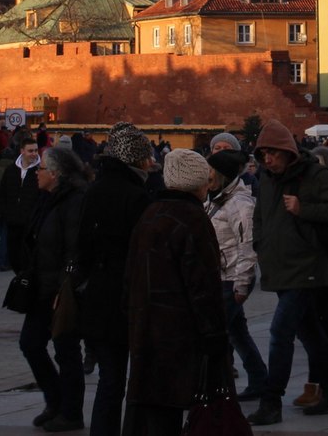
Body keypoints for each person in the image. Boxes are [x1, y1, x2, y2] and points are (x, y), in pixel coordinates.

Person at [244, 119, 328, 427]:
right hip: (279, 266)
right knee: (312, 335)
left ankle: (271, 400)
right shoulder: (267, 178)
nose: (268, 159)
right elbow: (260, 216)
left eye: (274, 153)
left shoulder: (314, 175)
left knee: (281, 332)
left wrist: (304, 208)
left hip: (307, 267)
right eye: (264, 154)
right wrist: (261, 245)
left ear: (289, 152)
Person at [122, 147, 229, 436]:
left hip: (145, 326)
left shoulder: (151, 214)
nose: (209, 185)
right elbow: (204, 285)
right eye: (206, 179)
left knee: (148, 407)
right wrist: (215, 337)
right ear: (195, 183)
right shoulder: (193, 219)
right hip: (179, 330)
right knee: (172, 405)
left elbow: (130, 273)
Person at [77, 123, 154, 436]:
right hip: (124, 297)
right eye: (145, 156)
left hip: (96, 294)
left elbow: (81, 245)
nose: (150, 163)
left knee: (109, 378)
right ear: (134, 159)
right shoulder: (136, 196)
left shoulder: (94, 190)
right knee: (123, 379)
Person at [19, 146, 89, 432]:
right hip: (42, 286)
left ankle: (71, 412)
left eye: (42, 168)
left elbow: (75, 248)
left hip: (61, 289)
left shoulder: (75, 200)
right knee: (30, 343)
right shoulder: (48, 199)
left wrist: (67, 284)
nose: (37, 173)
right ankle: (55, 399)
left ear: (56, 174)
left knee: (66, 350)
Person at [207, 146, 267, 399]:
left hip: (231, 278)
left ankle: (212, 387)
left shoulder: (240, 204)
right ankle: (259, 381)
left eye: (210, 170)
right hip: (221, 276)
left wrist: (243, 283)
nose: (206, 174)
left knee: (215, 332)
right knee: (237, 333)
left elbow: (248, 246)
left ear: (222, 174)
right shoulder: (216, 199)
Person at [0, 133, 42, 273]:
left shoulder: (39, 171)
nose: (33, 154)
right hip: (12, 223)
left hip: (31, 226)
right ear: (22, 151)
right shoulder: (11, 170)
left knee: (29, 261)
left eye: (35, 150)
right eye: (30, 151)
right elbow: (3, 193)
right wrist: (6, 214)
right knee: (14, 258)